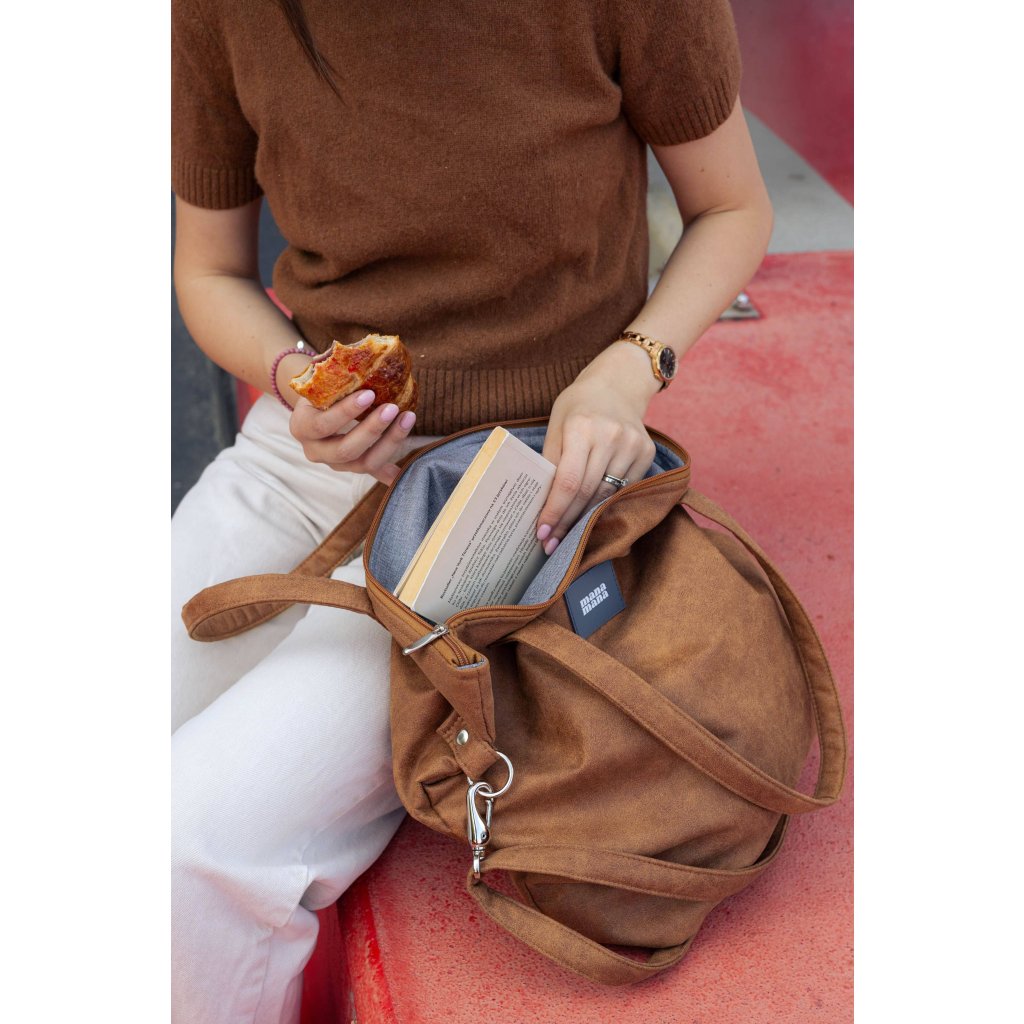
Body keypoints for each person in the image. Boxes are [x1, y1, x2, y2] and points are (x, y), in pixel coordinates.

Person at [171, 1, 774, 1021]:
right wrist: (295, 378)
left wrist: (627, 371)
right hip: (302, 455)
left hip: (528, 484)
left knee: (189, 844)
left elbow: (733, 208)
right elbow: (207, 269)